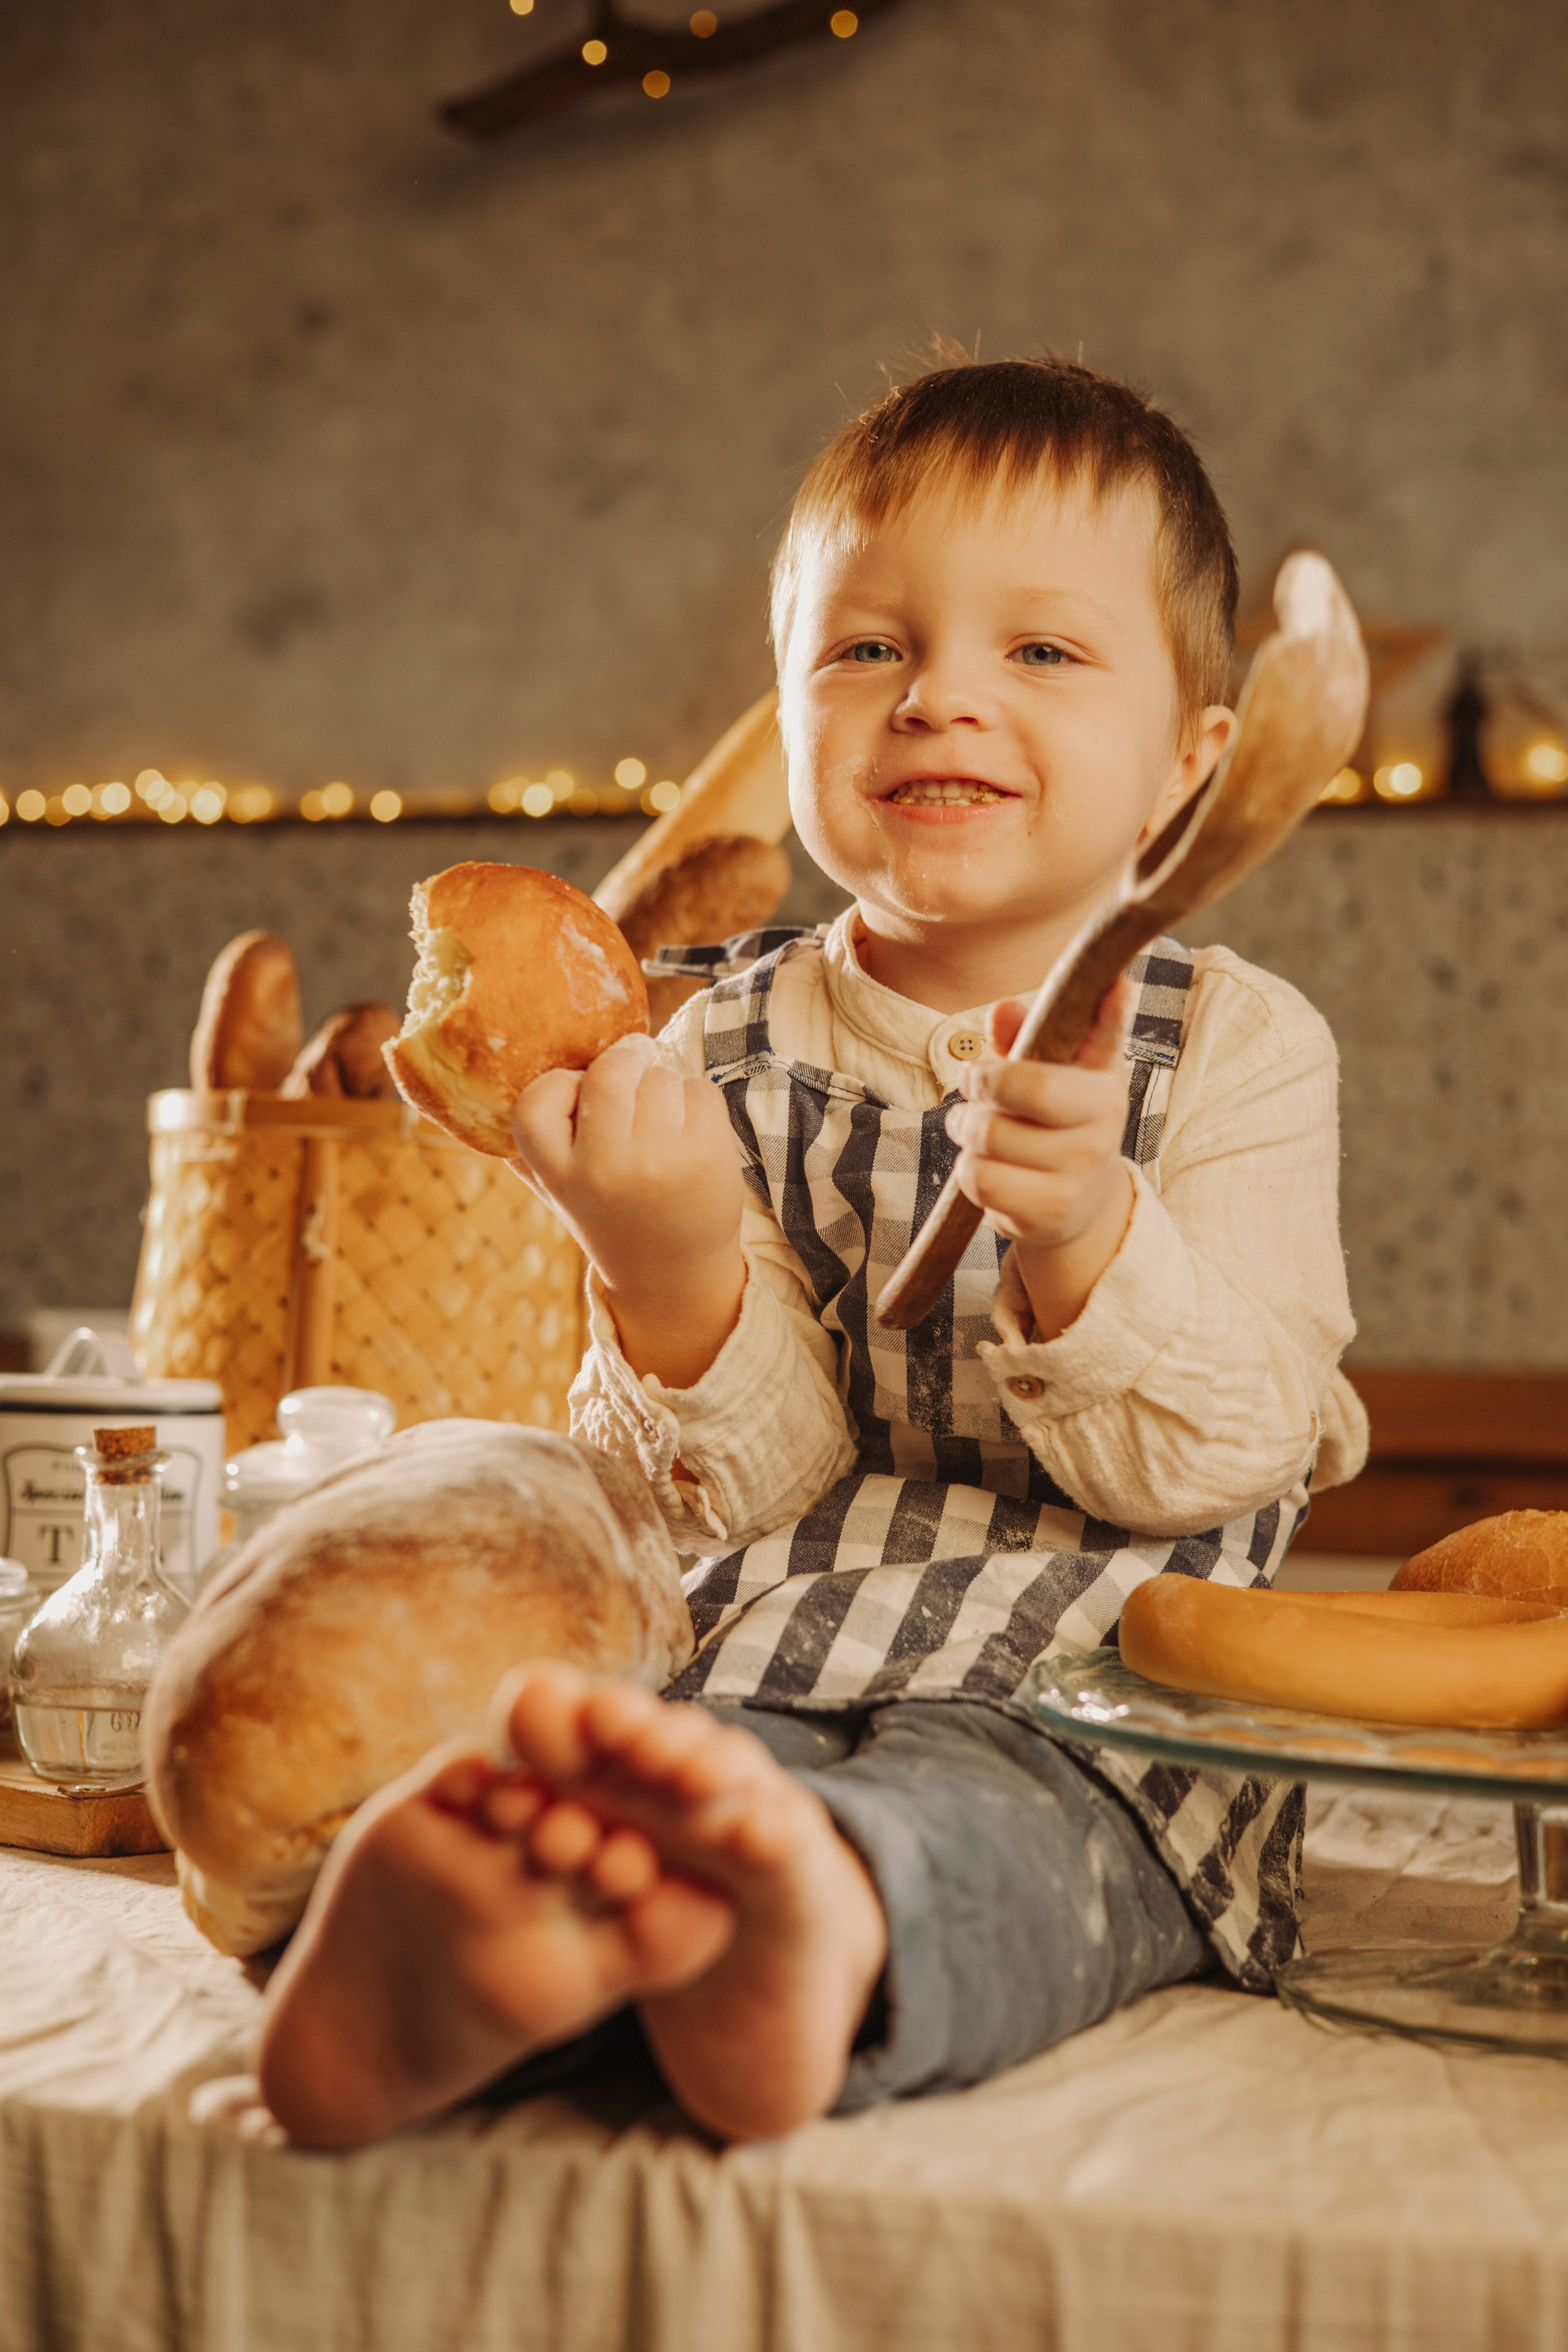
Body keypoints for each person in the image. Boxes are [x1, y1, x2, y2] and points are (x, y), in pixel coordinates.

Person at [256, 353, 1368, 2148]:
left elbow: (1225, 1456)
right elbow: (732, 1493)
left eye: (1043, 652)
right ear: (783, 717)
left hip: (1104, 1711)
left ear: (1191, 762)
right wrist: (662, 1254)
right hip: (755, 1662)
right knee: (634, 1791)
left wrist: (1091, 1229)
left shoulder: (1235, 1050)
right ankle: (478, 1958)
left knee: (977, 1834)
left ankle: (818, 1924)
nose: (939, 699)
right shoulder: (697, 1049)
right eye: (868, 649)